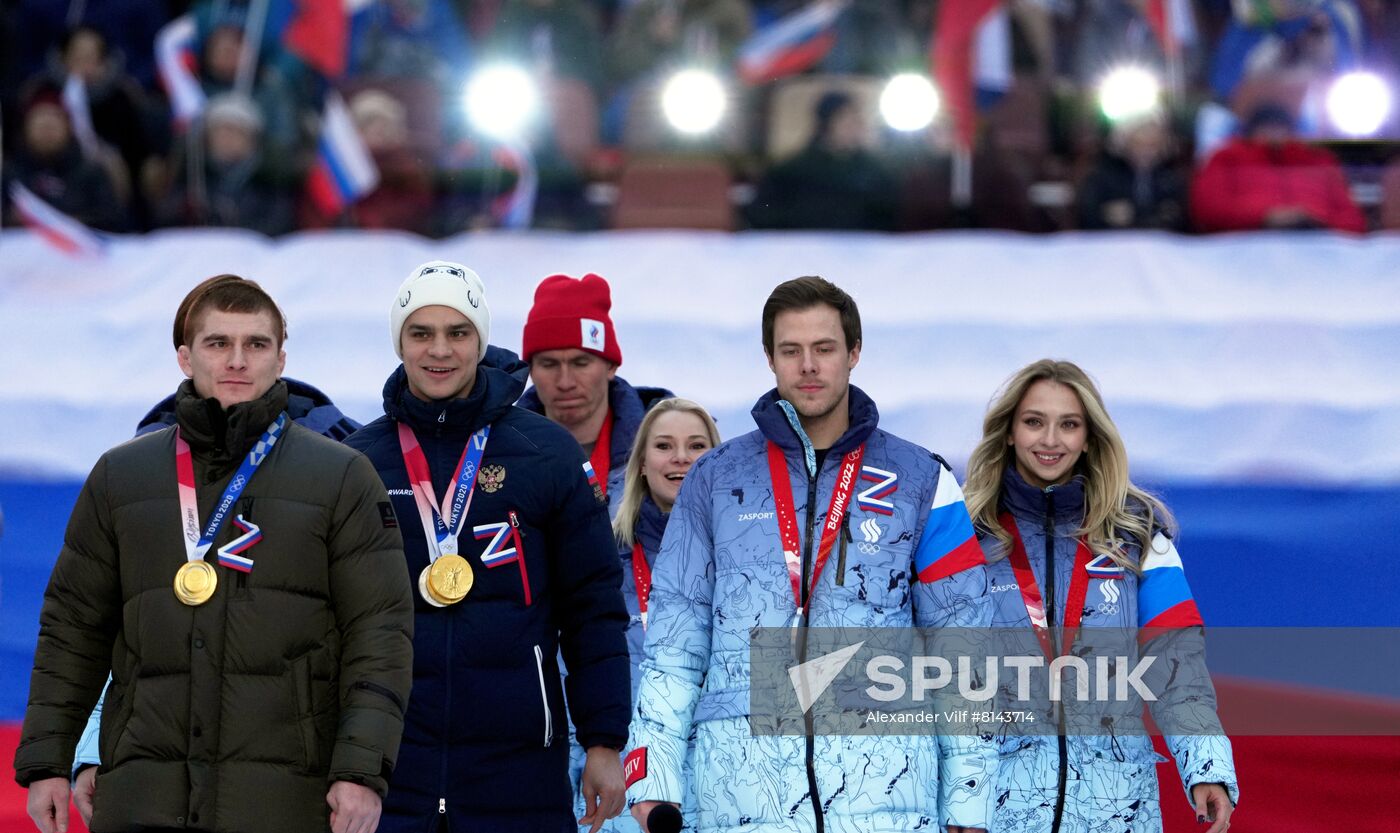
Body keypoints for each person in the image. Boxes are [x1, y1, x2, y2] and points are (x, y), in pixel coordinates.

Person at [14, 276, 415, 833]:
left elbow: (381, 634)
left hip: (285, 800)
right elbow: (72, 631)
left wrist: (361, 771)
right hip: (142, 794)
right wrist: (48, 762)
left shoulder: (342, 476)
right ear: (185, 357)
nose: (237, 360)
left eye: (256, 344)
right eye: (217, 343)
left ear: (280, 359)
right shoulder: (120, 476)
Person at [626, 276, 996, 833]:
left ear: (853, 353)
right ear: (770, 359)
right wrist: (653, 779)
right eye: (791, 351)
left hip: (885, 797)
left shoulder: (921, 479)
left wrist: (969, 797)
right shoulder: (714, 478)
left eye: (823, 349)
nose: (808, 366)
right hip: (744, 798)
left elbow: (963, 645)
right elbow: (674, 643)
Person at [344, 260, 631, 833]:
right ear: (399, 342)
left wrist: (603, 741)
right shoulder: (360, 461)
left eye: (458, 333)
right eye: (420, 333)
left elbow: (592, 608)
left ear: (481, 339)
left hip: (518, 769)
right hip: (388, 767)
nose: (439, 351)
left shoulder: (545, 453)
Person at [961, 359, 1239, 833]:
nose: (1050, 440)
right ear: (1008, 431)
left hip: (1116, 809)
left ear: (1090, 437)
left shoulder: (1139, 535)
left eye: (1069, 425)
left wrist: (1206, 766)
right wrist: (960, 800)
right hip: (997, 811)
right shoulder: (963, 538)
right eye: (1034, 422)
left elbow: (1177, 666)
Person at [604, 398, 720, 831]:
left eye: (696, 446)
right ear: (640, 464)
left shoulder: (749, 553)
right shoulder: (604, 556)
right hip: (628, 782)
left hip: (726, 777)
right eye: (664, 446)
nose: (680, 459)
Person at [518, 272, 674, 508]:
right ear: (530, 370)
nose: (565, 381)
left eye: (581, 363)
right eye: (549, 364)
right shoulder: (497, 450)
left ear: (611, 366)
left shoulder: (673, 444)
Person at [1190, 101, 1365, 233]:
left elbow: (1353, 222)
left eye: (1280, 129)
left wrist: (1319, 222)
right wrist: (1265, 217)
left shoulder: (1319, 162)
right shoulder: (1226, 158)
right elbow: (1208, 211)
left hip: (1319, 250)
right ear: (1251, 133)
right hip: (1247, 251)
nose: (1275, 135)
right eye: (1267, 129)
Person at [748, 91, 897, 231]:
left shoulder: (874, 172)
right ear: (827, 123)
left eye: (856, 119)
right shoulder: (793, 171)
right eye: (846, 119)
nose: (854, 125)